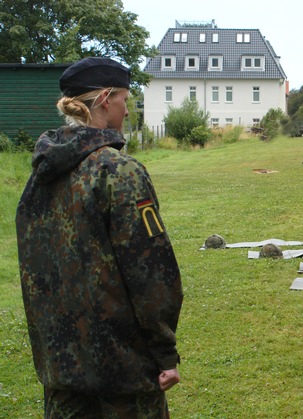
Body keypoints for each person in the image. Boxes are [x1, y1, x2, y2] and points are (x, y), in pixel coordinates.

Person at [15, 57, 183, 417]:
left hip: (61, 373)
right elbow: (151, 273)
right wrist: (164, 351)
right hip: (123, 374)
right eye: (124, 99)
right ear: (106, 99)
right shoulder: (119, 171)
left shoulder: (39, 177)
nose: (127, 109)